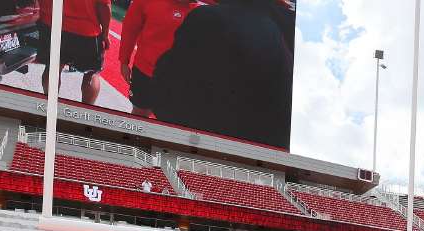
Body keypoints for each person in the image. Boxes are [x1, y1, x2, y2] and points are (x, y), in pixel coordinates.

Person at [148, 0, 295, 148]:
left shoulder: (208, 19)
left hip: (203, 143)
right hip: (266, 154)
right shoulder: (294, 29)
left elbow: (164, 89)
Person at [118, 0, 201, 117]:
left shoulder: (202, 11)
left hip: (178, 78)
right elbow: (130, 28)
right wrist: (124, 60)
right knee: (140, 114)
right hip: (145, 72)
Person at [36, 0, 111, 105]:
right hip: (85, 28)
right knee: (92, 73)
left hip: (52, 22)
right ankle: (85, 113)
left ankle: (49, 106)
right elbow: (104, 5)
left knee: (53, 68)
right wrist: (105, 33)